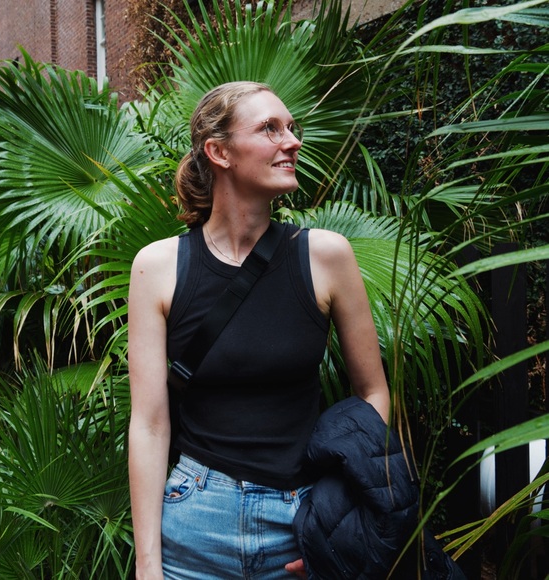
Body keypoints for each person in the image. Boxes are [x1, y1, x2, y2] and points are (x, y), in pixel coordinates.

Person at [128, 81, 391, 580]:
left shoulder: (326, 256)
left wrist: (334, 519)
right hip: (194, 523)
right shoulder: (157, 267)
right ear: (219, 152)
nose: (292, 141)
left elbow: (372, 394)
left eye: (291, 127)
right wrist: (147, 565)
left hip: (298, 520)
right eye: (270, 128)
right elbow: (149, 424)